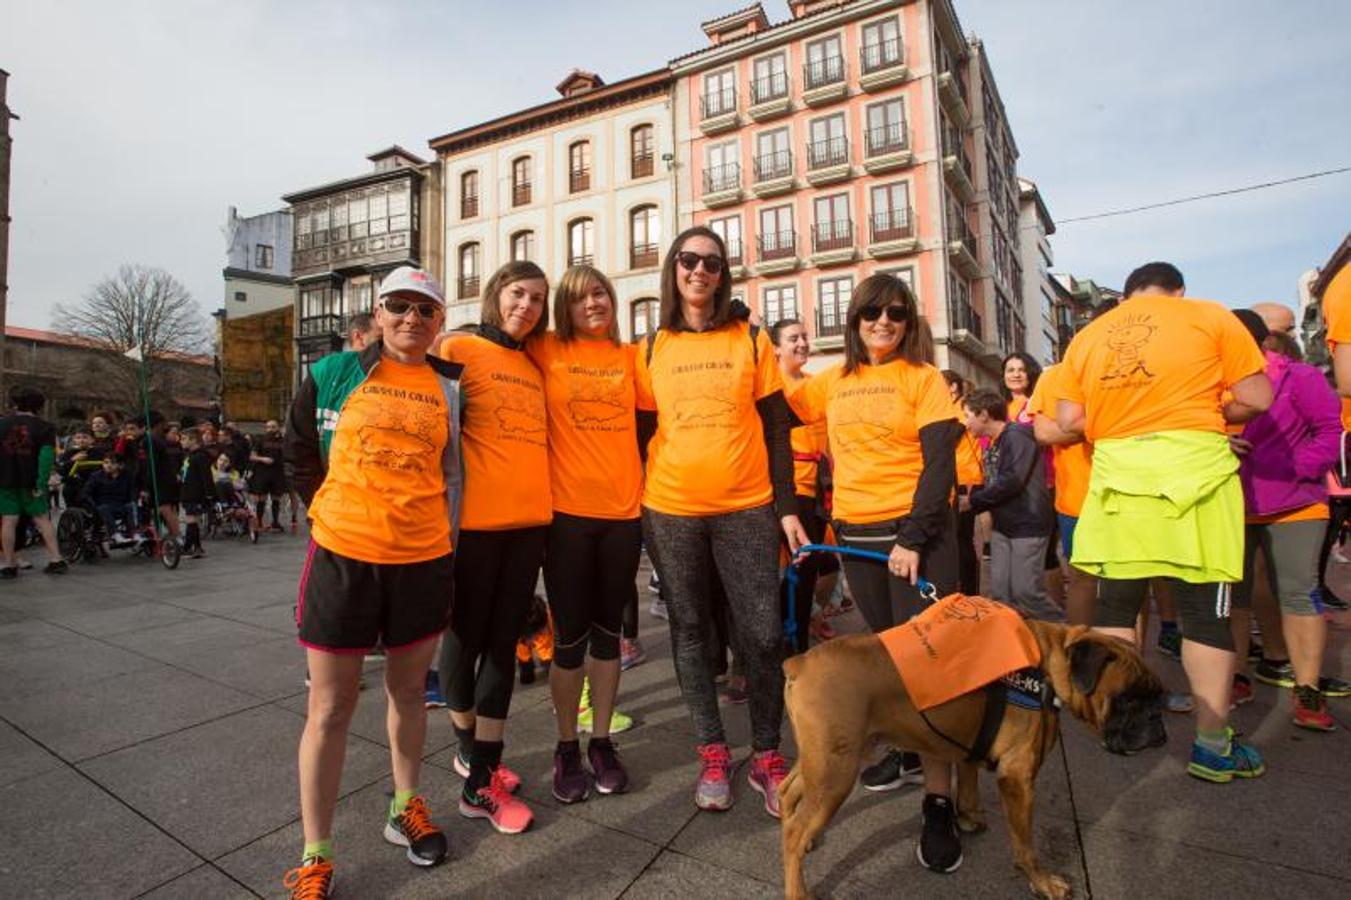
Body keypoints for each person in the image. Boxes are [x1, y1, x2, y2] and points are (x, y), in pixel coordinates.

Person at [281, 265, 462, 897]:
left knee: (410, 695)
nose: (412, 318)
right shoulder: (333, 374)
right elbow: (298, 446)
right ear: (377, 312)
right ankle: (315, 853)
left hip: (422, 557)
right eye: (399, 306)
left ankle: (405, 807)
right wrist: (322, 508)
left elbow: (456, 469)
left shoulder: (451, 386)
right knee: (330, 707)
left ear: (440, 323)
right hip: (344, 555)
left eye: (426, 310)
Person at [1057, 261, 1272, 783]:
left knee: (1115, 608)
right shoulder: (1210, 316)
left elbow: (1067, 421)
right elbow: (1258, 397)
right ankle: (1212, 745)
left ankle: (1118, 726)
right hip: (1195, 476)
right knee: (1205, 615)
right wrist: (1210, 406)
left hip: (1117, 478)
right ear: (1178, 291)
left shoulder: (1087, 337)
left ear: (1129, 296)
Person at [786, 274, 965, 873]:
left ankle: (941, 799)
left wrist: (913, 538)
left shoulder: (923, 379)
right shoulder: (832, 382)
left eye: (895, 313)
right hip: (858, 539)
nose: (883, 322)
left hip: (917, 539)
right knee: (886, 663)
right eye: (871, 313)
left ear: (908, 322)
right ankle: (911, 753)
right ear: (854, 319)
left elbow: (940, 465)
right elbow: (771, 405)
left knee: (932, 671)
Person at [636, 226, 803, 819]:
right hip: (671, 508)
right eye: (689, 260)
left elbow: (778, 429)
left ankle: (765, 754)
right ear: (673, 269)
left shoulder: (751, 339)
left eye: (711, 262)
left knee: (762, 634)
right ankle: (712, 751)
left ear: (722, 272)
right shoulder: (652, 346)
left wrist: (786, 507)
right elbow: (640, 434)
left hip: (747, 507)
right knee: (689, 631)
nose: (700, 270)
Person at [436, 260, 552, 835]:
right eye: (516, 294)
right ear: (494, 294)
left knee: (503, 646)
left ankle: (481, 765)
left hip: (528, 523)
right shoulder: (458, 348)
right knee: (464, 640)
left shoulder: (533, 362)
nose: (525, 306)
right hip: (474, 527)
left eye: (536, 298)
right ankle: (473, 763)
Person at [526, 264, 640, 803]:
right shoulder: (546, 349)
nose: (592, 304)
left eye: (599, 294)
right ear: (563, 310)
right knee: (568, 640)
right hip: (566, 517)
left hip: (622, 516)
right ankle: (566, 745)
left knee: (608, 634)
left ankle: (601, 744)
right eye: (578, 299)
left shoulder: (630, 357)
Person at [1230, 313, 1349, 729]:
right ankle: (1237, 677)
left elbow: (1329, 429)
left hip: (1296, 504)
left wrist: (1295, 467)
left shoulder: (1298, 376)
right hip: (1232, 506)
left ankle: (1308, 691)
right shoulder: (1211, 385)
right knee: (1235, 599)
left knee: (1300, 595)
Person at [770, 316, 840, 653]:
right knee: (792, 570)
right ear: (775, 348)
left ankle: (798, 634)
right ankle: (787, 641)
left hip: (816, 492)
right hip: (782, 490)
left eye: (804, 337)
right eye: (792, 338)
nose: (801, 343)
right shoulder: (769, 387)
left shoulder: (816, 385)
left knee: (815, 568)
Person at [961, 389, 1060, 620]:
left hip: (1027, 525)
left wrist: (973, 501)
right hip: (1004, 525)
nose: (966, 424)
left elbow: (1012, 481)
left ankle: (1065, 635)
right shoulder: (995, 442)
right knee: (1001, 595)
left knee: (1027, 593)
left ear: (983, 415)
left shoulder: (1016, 436)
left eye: (968, 416)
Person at [1027, 361, 1098, 625]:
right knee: (1082, 578)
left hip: (1135, 494)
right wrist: (1109, 425)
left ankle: (1130, 661)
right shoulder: (1057, 375)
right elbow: (1044, 432)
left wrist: (1076, 427)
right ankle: (1077, 653)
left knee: (1132, 582)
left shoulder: (1128, 370)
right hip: (1077, 501)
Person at [0, 387, 68, 575]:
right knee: (42, 519)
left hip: (5, 480)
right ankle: (55, 559)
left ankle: (8, 564)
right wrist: (41, 482)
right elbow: (46, 458)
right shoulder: (44, 427)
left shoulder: (2, 424)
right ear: (39, 406)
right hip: (31, 481)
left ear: (16, 403)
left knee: (8, 520)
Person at [942, 370, 984, 596]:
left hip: (966, 478)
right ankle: (963, 588)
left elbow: (949, 436)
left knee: (962, 538)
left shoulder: (962, 408)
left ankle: (970, 591)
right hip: (954, 477)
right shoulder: (949, 407)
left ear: (953, 388)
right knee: (957, 537)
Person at [178, 429, 215, 558]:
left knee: (191, 519)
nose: (181, 442)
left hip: (195, 492)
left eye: (184, 439)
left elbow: (206, 475)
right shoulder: (189, 455)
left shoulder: (200, 456)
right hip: (187, 491)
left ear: (193, 440)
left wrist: (209, 493)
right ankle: (194, 547)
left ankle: (192, 547)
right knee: (191, 520)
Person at [81, 454, 137, 540]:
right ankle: (115, 534)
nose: (108, 465)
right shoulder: (96, 476)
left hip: (120, 505)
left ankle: (134, 533)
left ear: (120, 465)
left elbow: (132, 491)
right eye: (106, 462)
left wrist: (133, 501)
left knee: (131, 506)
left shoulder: (127, 476)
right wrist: (93, 505)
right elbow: (86, 493)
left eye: (113, 463)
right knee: (104, 508)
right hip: (102, 505)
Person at [249, 419, 288, 532]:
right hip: (263, 473)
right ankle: (259, 522)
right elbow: (252, 456)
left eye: (273, 427)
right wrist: (263, 459)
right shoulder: (260, 440)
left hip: (278, 473)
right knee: (261, 499)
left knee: (276, 498)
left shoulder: (283, 441)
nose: (270, 429)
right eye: (268, 427)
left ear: (278, 428)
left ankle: (275, 522)